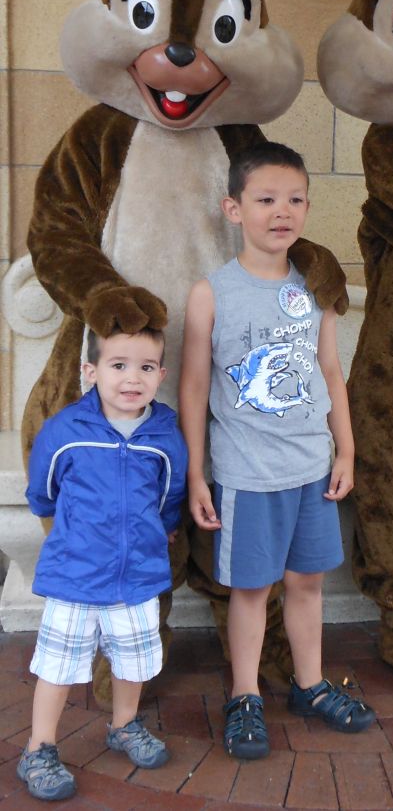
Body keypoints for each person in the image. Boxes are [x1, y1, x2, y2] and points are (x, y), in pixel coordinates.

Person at [180, 141, 376, 760]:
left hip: (311, 469)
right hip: (247, 474)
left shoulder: (315, 287)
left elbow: (330, 372)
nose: (281, 211)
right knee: (250, 590)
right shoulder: (211, 293)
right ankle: (244, 696)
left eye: (295, 199)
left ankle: (310, 685)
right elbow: (193, 387)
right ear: (234, 209)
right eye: (266, 199)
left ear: (308, 208)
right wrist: (196, 474)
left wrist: (345, 452)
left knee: (307, 583)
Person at [19, 327, 187, 801]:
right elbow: (43, 492)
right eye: (118, 365)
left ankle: (124, 725)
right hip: (75, 575)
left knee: (133, 660)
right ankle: (38, 748)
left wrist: (160, 530)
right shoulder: (66, 431)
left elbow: (169, 494)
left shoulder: (164, 435)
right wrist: (74, 531)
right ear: (90, 372)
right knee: (57, 665)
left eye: (146, 367)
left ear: (160, 375)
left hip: (138, 577)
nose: (133, 378)